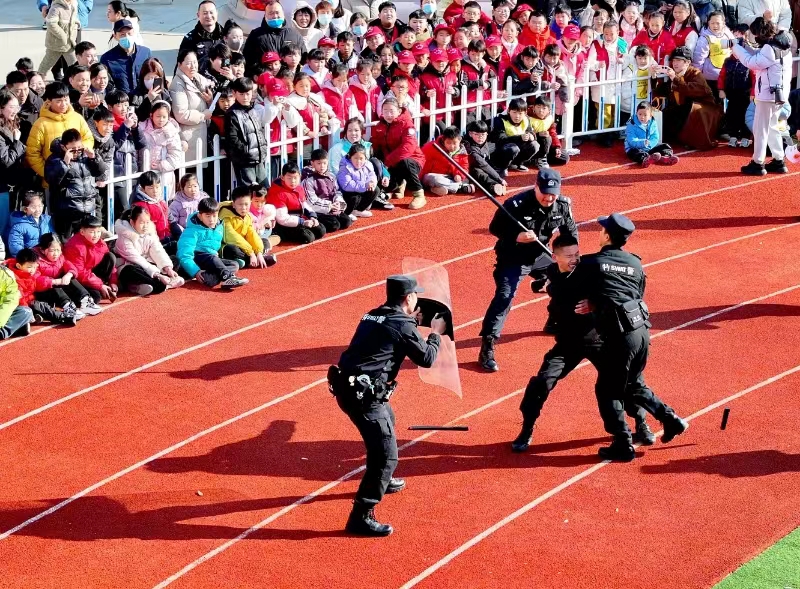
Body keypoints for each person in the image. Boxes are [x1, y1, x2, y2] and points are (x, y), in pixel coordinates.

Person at [510, 234, 656, 453]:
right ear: (555, 257)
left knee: (624, 382)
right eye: (569, 255)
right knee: (541, 382)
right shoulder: (552, 272)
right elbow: (552, 283)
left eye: (577, 253)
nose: (575, 259)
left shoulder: (590, 270)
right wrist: (545, 285)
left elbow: (615, 290)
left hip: (598, 338)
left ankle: (641, 424)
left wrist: (594, 303)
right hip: (568, 342)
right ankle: (527, 428)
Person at [330, 274, 445, 536]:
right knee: (385, 455)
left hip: (348, 388)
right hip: (365, 398)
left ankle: (385, 478)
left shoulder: (372, 314)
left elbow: (387, 338)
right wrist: (435, 334)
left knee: (388, 423)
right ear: (409, 298)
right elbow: (426, 359)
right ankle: (361, 516)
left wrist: (411, 325)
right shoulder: (402, 324)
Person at [574, 213, 689, 461]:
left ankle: (622, 443)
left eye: (602, 229)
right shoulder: (636, 264)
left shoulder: (591, 263)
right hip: (641, 333)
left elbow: (573, 290)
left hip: (618, 337)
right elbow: (633, 294)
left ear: (606, 235)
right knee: (633, 384)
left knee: (607, 390)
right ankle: (671, 420)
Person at [478, 168, 577, 372]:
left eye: (553, 194)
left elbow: (570, 233)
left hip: (540, 254)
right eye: (545, 193)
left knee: (568, 279)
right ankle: (487, 346)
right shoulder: (516, 204)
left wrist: (568, 256)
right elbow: (495, 228)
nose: (549, 198)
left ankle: (554, 318)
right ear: (535, 187)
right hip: (513, 256)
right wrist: (517, 236)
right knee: (505, 297)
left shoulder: (562, 205)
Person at [732, 18, 792, 175]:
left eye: (754, 34)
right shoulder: (781, 45)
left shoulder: (770, 49)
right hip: (778, 94)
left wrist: (737, 48)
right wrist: (745, 46)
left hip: (768, 95)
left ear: (760, 33)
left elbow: (752, 62)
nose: (754, 37)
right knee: (772, 126)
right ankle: (779, 160)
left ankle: (758, 162)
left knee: (761, 129)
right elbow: (759, 56)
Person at [25, 82, 94, 191]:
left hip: (78, 179)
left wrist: (79, 149)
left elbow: (88, 138)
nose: (63, 104)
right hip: (54, 183)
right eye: (59, 101)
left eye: (66, 100)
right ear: (49, 101)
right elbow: (32, 154)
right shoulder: (41, 123)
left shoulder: (77, 118)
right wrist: (49, 172)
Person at [653, 45, 722, 151]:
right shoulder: (672, 73)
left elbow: (693, 90)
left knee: (695, 110)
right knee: (666, 115)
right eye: (674, 60)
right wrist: (654, 76)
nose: (675, 63)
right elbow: (660, 91)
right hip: (682, 106)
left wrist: (674, 79)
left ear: (688, 62)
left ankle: (696, 141)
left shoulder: (695, 73)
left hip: (704, 106)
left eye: (679, 60)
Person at [45, 128, 106, 240]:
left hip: (86, 208)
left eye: (79, 148)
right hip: (66, 209)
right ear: (64, 147)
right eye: (72, 150)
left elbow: (100, 171)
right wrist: (64, 164)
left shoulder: (84, 156)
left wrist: (94, 158)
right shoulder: (54, 159)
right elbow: (51, 180)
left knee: (84, 242)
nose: (77, 152)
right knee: (66, 243)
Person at [176, 197, 247, 288]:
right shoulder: (191, 231)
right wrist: (195, 271)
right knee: (212, 258)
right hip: (196, 257)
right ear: (200, 216)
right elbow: (184, 255)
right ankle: (228, 277)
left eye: (214, 216)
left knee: (234, 264)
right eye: (208, 216)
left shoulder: (219, 226)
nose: (212, 220)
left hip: (211, 259)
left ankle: (210, 279)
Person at [370, 98, 426, 209]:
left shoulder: (407, 125)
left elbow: (408, 148)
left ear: (399, 111)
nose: (388, 114)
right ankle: (399, 185)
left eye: (391, 111)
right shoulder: (380, 126)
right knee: (384, 183)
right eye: (385, 111)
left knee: (405, 162)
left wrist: (388, 161)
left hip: (412, 159)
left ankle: (419, 194)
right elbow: (375, 144)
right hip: (390, 162)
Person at [114, 206, 183, 295]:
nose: (145, 226)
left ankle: (145, 285)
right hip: (130, 265)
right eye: (142, 223)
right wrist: (158, 275)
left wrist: (168, 268)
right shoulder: (124, 238)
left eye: (147, 222)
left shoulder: (150, 233)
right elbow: (137, 259)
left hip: (148, 263)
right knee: (130, 270)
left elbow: (158, 250)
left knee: (174, 260)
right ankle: (162, 284)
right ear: (132, 222)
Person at [8, 247, 80, 326]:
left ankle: (65, 307)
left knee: (51, 290)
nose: (33, 270)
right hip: (22, 304)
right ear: (18, 266)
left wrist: (52, 282)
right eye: (29, 267)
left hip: (31, 298)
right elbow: (19, 298)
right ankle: (63, 317)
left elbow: (38, 281)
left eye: (35, 267)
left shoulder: (30, 272)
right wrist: (27, 311)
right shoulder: (14, 278)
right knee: (38, 306)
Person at [34, 232, 99, 315]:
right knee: (55, 287)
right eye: (52, 251)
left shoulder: (60, 256)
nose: (56, 254)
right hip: (43, 292)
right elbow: (35, 281)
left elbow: (68, 265)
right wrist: (55, 281)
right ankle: (68, 307)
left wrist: (69, 274)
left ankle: (85, 300)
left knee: (70, 277)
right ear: (42, 250)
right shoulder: (35, 260)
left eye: (58, 250)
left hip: (59, 286)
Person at [169, 49, 214, 164]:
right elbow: (181, 114)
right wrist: (203, 115)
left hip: (202, 135)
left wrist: (210, 101)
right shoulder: (178, 84)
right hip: (189, 139)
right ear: (180, 64)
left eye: (195, 62)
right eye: (188, 63)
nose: (193, 66)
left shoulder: (199, 79)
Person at [224, 77, 270, 187]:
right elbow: (233, 139)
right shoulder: (232, 114)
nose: (245, 97)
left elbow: (258, 131)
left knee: (264, 190)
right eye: (241, 94)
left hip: (258, 158)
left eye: (248, 93)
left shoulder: (252, 109)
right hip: (244, 161)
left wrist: (262, 148)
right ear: (235, 93)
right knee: (249, 193)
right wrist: (247, 151)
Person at [267, 162, 327, 244]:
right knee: (308, 237)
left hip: (298, 218)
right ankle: (281, 235)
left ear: (300, 176)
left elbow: (304, 204)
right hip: (283, 224)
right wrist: (302, 222)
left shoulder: (299, 188)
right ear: (282, 177)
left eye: (295, 178)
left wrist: (312, 216)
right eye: (289, 178)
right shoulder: (277, 193)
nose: (293, 181)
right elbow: (282, 218)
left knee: (321, 230)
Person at [242, 0, 305, 78]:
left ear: (283, 14)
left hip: (290, 81)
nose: (275, 16)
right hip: (266, 81)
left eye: (277, 12)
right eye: (271, 13)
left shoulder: (294, 34)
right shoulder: (256, 35)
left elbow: (304, 59)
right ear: (265, 16)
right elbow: (248, 60)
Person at [63, 215, 118, 303]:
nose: (96, 235)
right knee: (96, 297)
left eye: (98, 231)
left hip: (91, 274)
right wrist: (100, 285)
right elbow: (80, 272)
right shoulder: (75, 246)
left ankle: (105, 286)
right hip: (78, 277)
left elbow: (112, 266)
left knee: (110, 256)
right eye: (92, 232)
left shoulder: (101, 243)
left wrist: (113, 282)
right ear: (82, 232)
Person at [218, 186, 276, 269]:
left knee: (262, 242)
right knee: (232, 249)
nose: (244, 208)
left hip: (242, 244)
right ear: (234, 204)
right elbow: (231, 237)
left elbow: (251, 233)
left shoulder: (247, 216)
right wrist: (251, 253)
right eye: (240, 205)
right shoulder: (226, 216)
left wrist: (258, 251)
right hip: (225, 244)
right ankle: (252, 260)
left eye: (246, 204)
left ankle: (249, 259)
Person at [138, 100, 185, 201]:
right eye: (158, 116)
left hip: (164, 174)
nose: (161, 120)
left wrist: (161, 165)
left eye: (164, 117)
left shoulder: (171, 132)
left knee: (163, 200)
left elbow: (175, 155)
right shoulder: (142, 128)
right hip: (143, 170)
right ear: (151, 115)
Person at [0, 90, 30, 236]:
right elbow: (6, 160)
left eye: (17, 107)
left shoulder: (12, 124)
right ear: (1, 107)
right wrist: (17, 142)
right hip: (2, 186)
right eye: (11, 107)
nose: (15, 111)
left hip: (13, 185)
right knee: (3, 224)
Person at [301, 148, 354, 230]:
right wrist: (329, 206)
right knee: (334, 225)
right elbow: (311, 201)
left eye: (324, 163)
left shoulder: (331, 176)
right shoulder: (308, 180)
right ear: (312, 163)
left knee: (346, 222)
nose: (322, 166)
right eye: (319, 163)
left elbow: (337, 192)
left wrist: (338, 202)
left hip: (332, 208)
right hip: (319, 210)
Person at [129, 171, 180, 251]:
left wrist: (176, 230)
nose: (155, 190)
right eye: (151, 188)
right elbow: (144, 229)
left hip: (168, 236)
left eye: (157, 187)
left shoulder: (160, 201)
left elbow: (169, 217)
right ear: (143, 189)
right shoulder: (140, 206)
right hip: (155, 242)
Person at [100, 19, 152, 95]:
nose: (126, 37)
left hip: (143, 100)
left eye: (129, 33)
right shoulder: (107, 59)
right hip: (121, 103)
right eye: (122, 34)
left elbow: (154, 74)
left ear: (134, 33)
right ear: (115, 36)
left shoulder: (145, 53)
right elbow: (107, 86)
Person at [420, 126, 475, 196]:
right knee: (434, 178)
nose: (452, 146)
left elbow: (464, 167)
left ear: (460, 140)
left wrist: (458, 175)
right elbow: (419, 162)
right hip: (432, 176)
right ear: (443, 140)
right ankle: (460, 188)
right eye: (448, 143)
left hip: (450, 177)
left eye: (455, 143)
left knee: (464, 178)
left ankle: (439, 188)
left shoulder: (463, 151)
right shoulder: (431, 147)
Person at [490, 97, 539, 175]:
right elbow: (501, 139)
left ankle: (517, 163)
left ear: (525, 113)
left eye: (520, 113)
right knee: (513, 148)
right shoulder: (500, 120)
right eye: (514, 112)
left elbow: (530, 131)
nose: (517, 116)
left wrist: (531, 136)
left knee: (535, 145)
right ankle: (502, 167)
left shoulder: (526, 119)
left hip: (519, 148)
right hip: (502, 151)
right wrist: (519, 137)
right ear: (509, 111)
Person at [625, 101, 680, 166]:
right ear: (636, 113)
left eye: (645, 115)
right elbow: (631, 140)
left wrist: (650, 144)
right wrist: (643, 143)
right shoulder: (631, 124)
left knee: (665, 146)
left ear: (650, 115)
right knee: (634, 152)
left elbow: (655, 136)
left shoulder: (653, 123)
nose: (642, 117)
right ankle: (645, 160)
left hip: (649, 147)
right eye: (640, 114)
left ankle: (665, 157)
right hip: (635, 147)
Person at [178, 0, 224, 73]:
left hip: (223, 79)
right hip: (199, 81)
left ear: (217, 13)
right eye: (205, 13)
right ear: (198, 15)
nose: (209, 16)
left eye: (211, 12)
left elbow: (233, 59)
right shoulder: (191, 39)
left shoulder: (225, 36)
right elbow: (181, 66)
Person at [337, 143, 381, 219]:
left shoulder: (368, 164)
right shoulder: (345, 167)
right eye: (355, 158)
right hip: (347, 193)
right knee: (354, 198)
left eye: (361, 158)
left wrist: (371, 183)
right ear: (350, 157)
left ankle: (359, 210)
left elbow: (372, 175)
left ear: (365, 158)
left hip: (361, 189)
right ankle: (348, 211)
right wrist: (365, 185)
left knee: (376, 189)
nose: (358, 161)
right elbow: (346, 185)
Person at [463, 119, 506, 196]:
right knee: (479, 172)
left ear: (487, 134)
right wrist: (499, 179)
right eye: (477, 134)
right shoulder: (470, 148)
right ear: (470, 134)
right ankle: (493, 186)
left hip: (484, 165)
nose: (480, 138)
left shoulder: (485, 143)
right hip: (470, 170)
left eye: (483, 135)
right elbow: (483, 164)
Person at [39, 0, 79, 77]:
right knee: (45, 65)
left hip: (69, 44)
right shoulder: (56, 7)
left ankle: (78, 81)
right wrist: (63, 36)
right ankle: (37, 82)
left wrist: (77, 23)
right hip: (56, 44)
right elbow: (50, 23)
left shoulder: (73, 5)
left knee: (75, 65)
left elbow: (73, 18)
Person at [8, 192, 54, 258]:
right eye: (33, 207)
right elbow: (16, 249)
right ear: (25, 209)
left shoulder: (47, 220)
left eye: (40, 206)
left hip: (45, 256)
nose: (38, 210)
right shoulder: (18, 226)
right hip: (29, 260)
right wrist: (29, 260)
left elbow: (53, 238)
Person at [529, 96, 570, 168]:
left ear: (549, 110)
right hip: (532, 143)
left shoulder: (549, 118)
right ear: (533, 107)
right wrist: (537, 134)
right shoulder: (528, 117)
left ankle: (538, 159)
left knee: (564, 157)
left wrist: (557, 147)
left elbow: (553, 133)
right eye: (538, 107)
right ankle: (539, 159)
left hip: (546, 145)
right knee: (546, 138)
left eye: (544, 108)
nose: (541, 110)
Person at [131, 58, 172, 122]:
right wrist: (148, 99)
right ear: (142, 78)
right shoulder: (134, 95)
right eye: (148, 78)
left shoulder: (165, 94)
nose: (152, 81)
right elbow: (138, 117)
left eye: (155, 78)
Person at [0, 263, 34, 340]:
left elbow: (9, 301)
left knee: (26, 311)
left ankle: (3, 331)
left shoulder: (6, 275)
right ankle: (16, 328)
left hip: (2, 309)